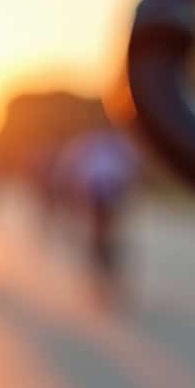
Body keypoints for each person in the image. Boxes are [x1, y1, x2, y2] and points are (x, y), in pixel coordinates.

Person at [57, 127, 140, 302]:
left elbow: (130, 170)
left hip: (109, 194)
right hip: (97, 195)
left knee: (105, 240)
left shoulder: (115, 145)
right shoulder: (91, 144)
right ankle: (102, 283)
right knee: (101, 241)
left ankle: (108, 281)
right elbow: (74, 170)